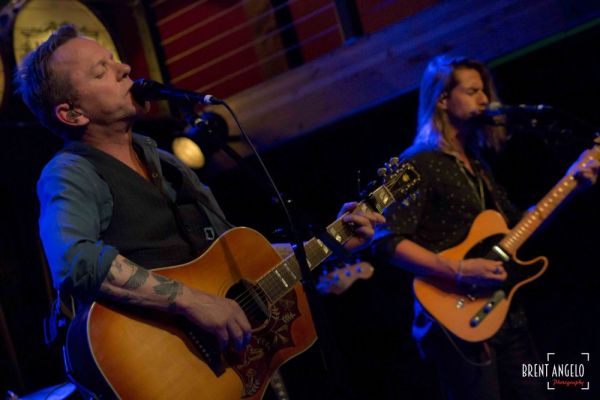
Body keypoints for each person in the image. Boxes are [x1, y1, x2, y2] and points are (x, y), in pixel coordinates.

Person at [14, 24, 384, 398]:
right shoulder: (72, 172)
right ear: (72, 113)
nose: (124, 68)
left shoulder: (167, 163)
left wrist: (330, 242)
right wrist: (192, 302)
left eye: (114, 60)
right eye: (101, 71)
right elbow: (74, 260)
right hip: (160, 371)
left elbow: (237, 262)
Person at [371, 55, 598, 400]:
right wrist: (461, 269)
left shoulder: (476, 166)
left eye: (485, 92)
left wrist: (572, 184)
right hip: (454, 320)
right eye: (473, 91)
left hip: (503, 313)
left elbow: (520, 227)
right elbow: (385, 238)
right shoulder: (417, 162)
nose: (485, 101)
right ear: (443, 100)